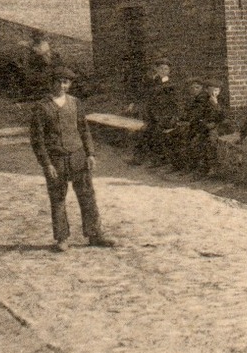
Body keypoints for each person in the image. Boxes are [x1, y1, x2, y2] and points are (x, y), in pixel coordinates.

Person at [29, 68, 114, 251]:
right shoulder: (41, 107)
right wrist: (47, 163)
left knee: (87, 195)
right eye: (59, 81)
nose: (62, 85)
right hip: (56, 159)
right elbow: (37, 140)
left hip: (77, 156)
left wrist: (90, 153)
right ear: (51, 83)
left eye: (66, 82)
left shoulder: (75, 103)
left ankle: (94, 234)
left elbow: (84, 130)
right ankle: (61, 238)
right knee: (58, 198)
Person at [131, 58, 176, 167]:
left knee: (155, 132)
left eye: (166, 69)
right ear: (156, 69)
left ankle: (158, 160)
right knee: (143, 131)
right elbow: (146, 96)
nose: (163, 71)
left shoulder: (169, 84)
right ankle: (139, 157)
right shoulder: (152, 81)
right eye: (161, 68)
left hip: (165, 116)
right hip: (153, 115)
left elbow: (170, 103)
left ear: (169, 71)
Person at [186, 80, 227, 175]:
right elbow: (199, 115)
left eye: (216, 90)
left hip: (220, 127)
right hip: (205, 126)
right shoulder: (204, 100)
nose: (214, 93)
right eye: (211, 90)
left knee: (211, 141)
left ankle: (213, 168)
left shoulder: (222, 100)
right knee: (195, 140)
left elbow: (223, 117)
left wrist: (216, 105)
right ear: (206, 90)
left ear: (220, 91)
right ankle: (201, 168)